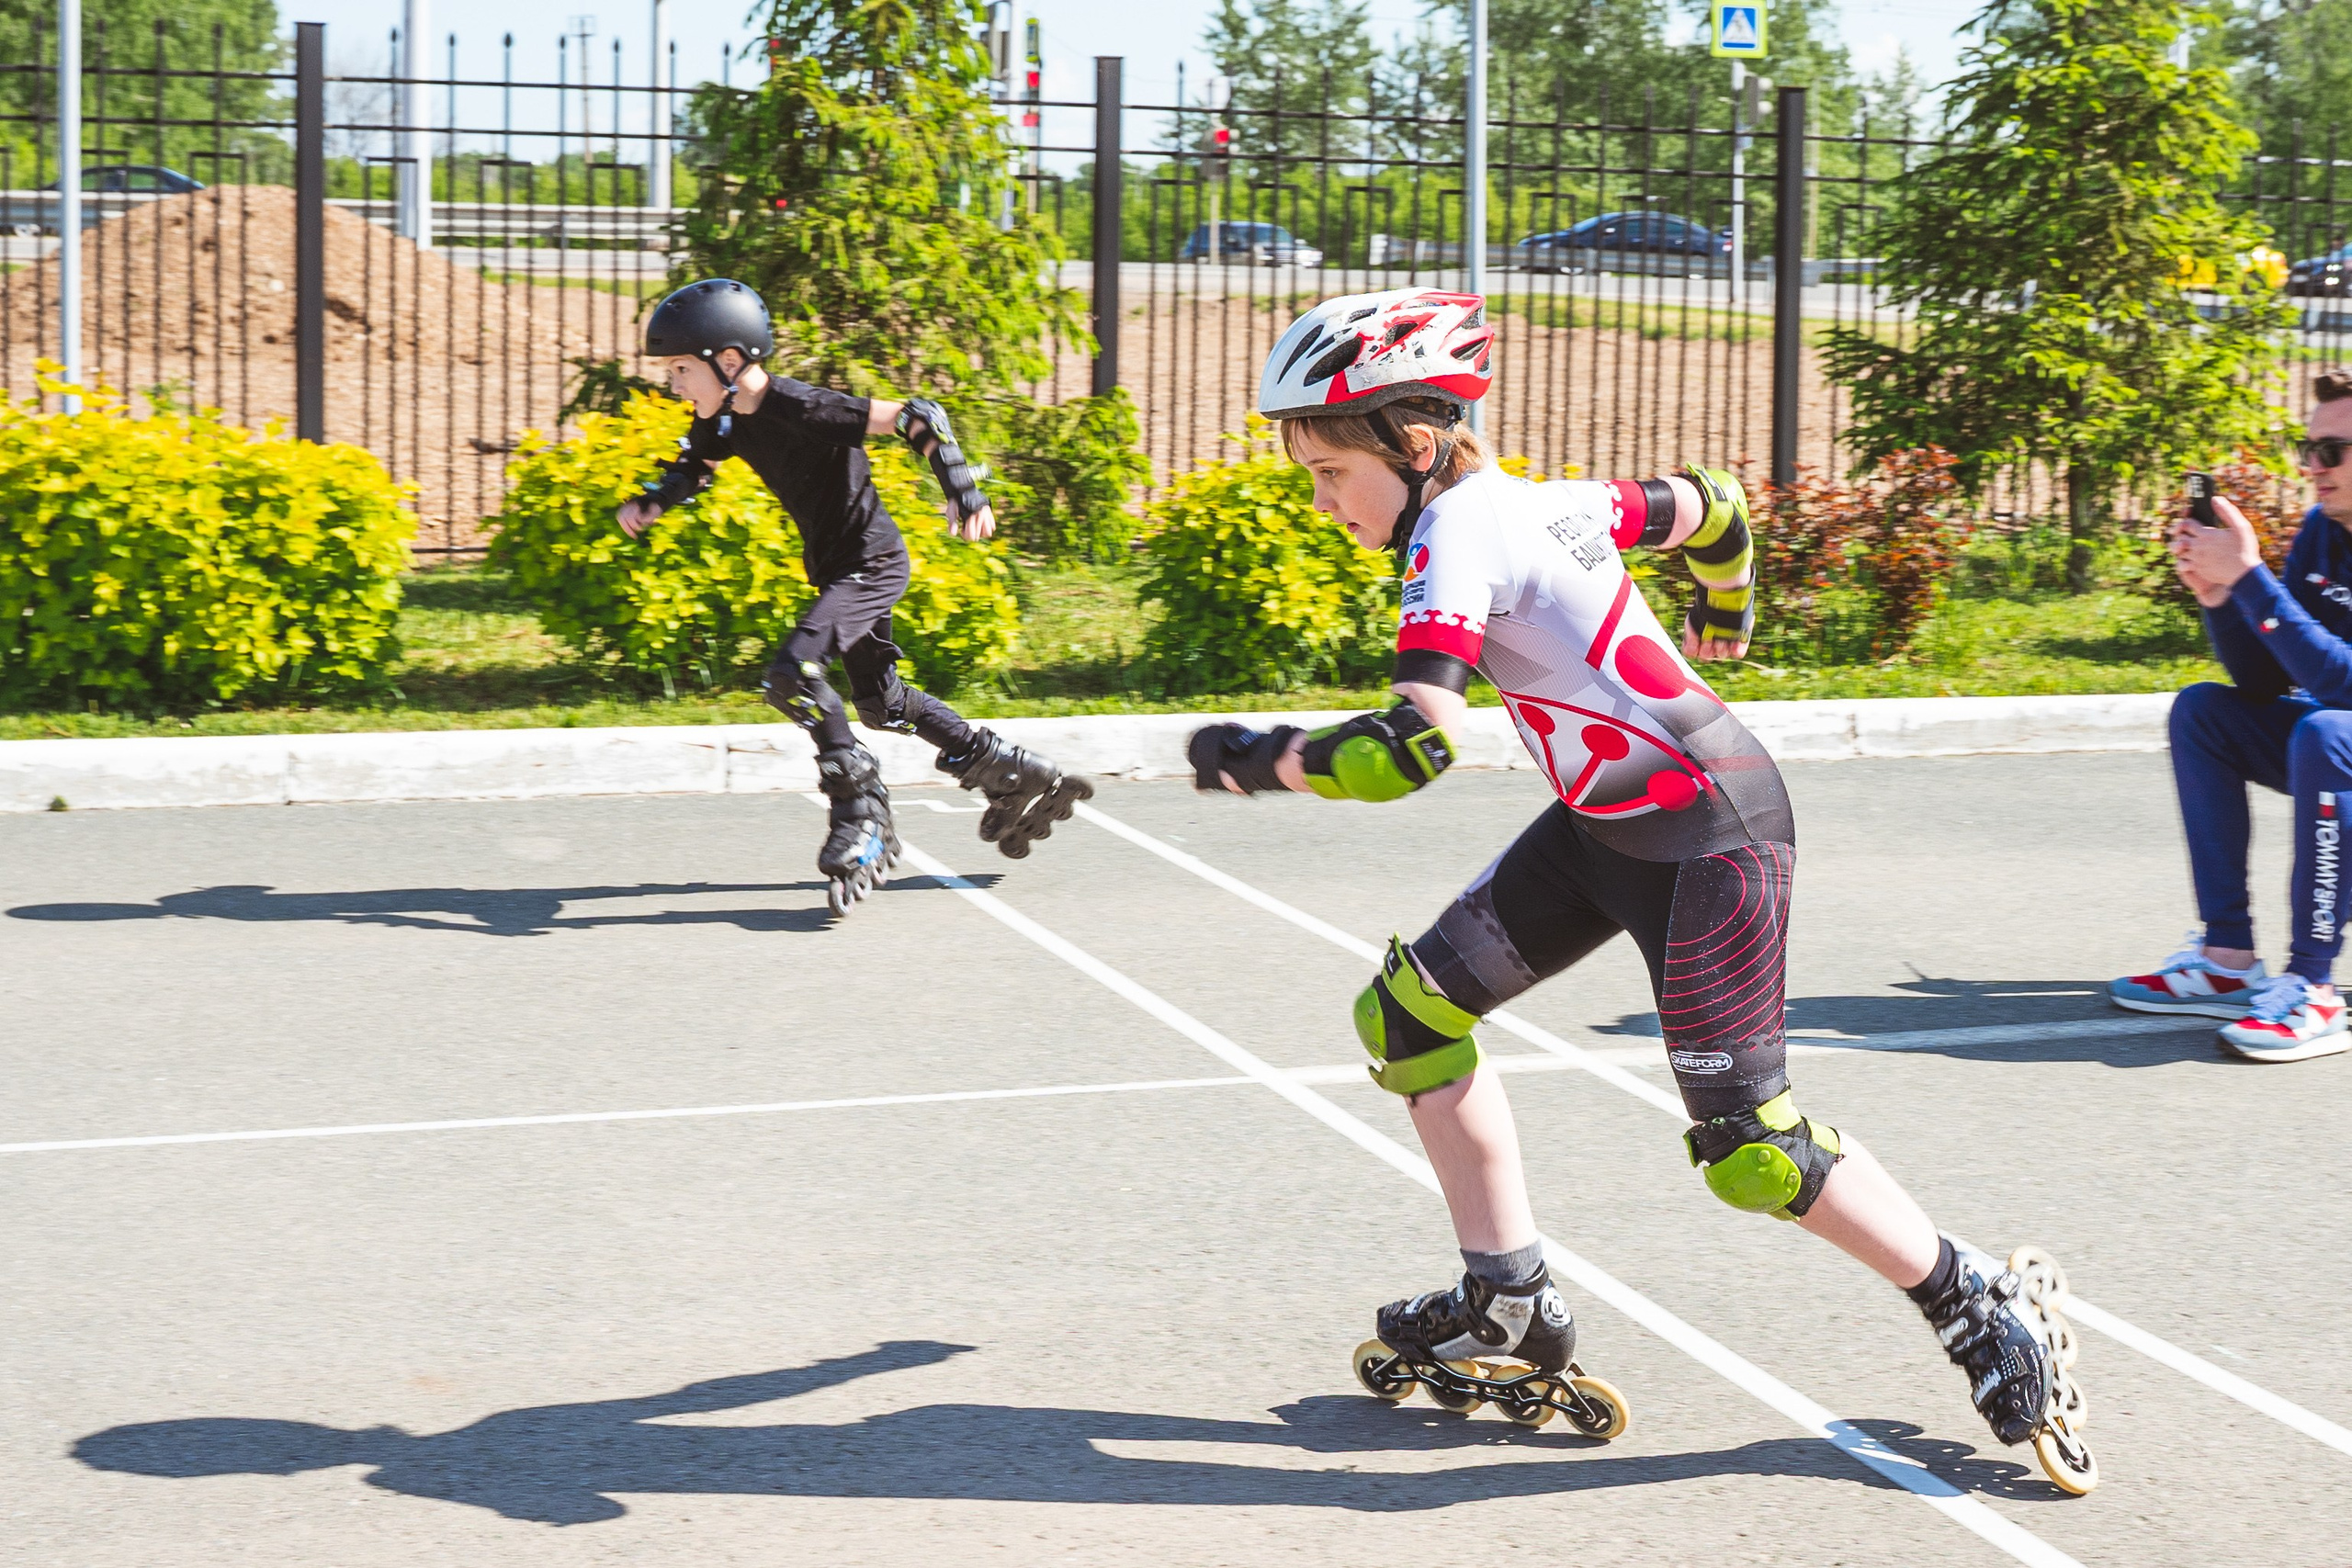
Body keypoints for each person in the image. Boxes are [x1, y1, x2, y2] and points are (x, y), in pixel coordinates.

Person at [1187, 287, 2098, 1493]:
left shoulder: (1460, 530)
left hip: (1714, 834)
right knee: (1404, 1019)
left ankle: (1974, 1296)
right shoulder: (1540, 498)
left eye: (1327, 470)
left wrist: (1256, 757)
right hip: (1605, 822)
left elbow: (1408, 747)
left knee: (1750, 1150)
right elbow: (1709, 504)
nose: (1319, 499)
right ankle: (1507, 1299)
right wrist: (1727, 603)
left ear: (1412, 446)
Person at [618, 279, 1091, 914]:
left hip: (870, 566)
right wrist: (654, 500)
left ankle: (862, 811)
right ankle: (1004, 768)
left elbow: (916, 415)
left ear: (729, 362)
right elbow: (694, 467)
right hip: (838, 570)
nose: (673, 382)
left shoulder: (801, 406)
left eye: (680, 368)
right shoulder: (724, 418)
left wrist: (961, 487)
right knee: (880, 703)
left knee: (793, 673)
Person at [2110, 370, 2352, 1062]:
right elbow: (2265, 680)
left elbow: (2341, 683)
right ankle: (2227, 956)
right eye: (2307, 448)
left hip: (2341, 739)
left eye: (2332, 450)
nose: (2312, 466)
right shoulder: (2322, 530)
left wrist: (2251, 578)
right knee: (2203, 711)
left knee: (2327, 731)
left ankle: (2312, 984)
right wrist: (2220, 597)